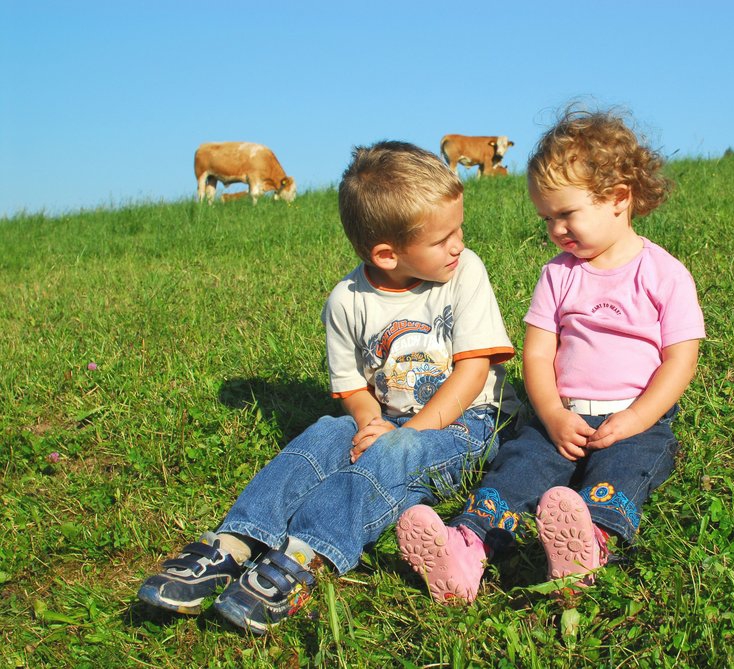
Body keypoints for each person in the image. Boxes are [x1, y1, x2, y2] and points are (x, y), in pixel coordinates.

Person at [138, 141, 518, 633]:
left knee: (395, 455)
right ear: (386, 253)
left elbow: (472, 373)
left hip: (466, 423)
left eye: (458, 229)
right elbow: (352, 389)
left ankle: (306, 554)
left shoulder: (464, 273)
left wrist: (406, 433)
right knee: (323, 432)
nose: (458, 243)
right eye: (443, 238)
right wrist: (368, 422)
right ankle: (234, 541)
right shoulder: (346, 300)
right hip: (389, 418)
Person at [397, 109, 705, 603]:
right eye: (547, 219)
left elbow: (679, 362)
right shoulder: (558, 275)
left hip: (634, 420)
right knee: (519, 469)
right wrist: (553, 415)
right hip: (559, 417)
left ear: (619, 199)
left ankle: (589, 545)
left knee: (622, 473)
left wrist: (636, 419)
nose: (556, 229)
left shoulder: (665, 274)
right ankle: (464, 548)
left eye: (567, 214)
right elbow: (537, 356)